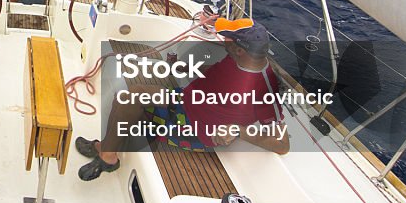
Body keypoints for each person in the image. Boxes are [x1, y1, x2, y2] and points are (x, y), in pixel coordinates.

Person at [77, 20, 289, 181]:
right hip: (183, 100)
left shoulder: (263, 86)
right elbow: (217, 73)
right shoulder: (240, 58)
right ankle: (120, 140)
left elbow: (282, 144)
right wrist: (185, 67)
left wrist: (236, 130)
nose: (222, 38)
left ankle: (107, 157)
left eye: (227, 38)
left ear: (240, 49)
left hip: (194, 128)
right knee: (132, 93)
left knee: (130, 98)